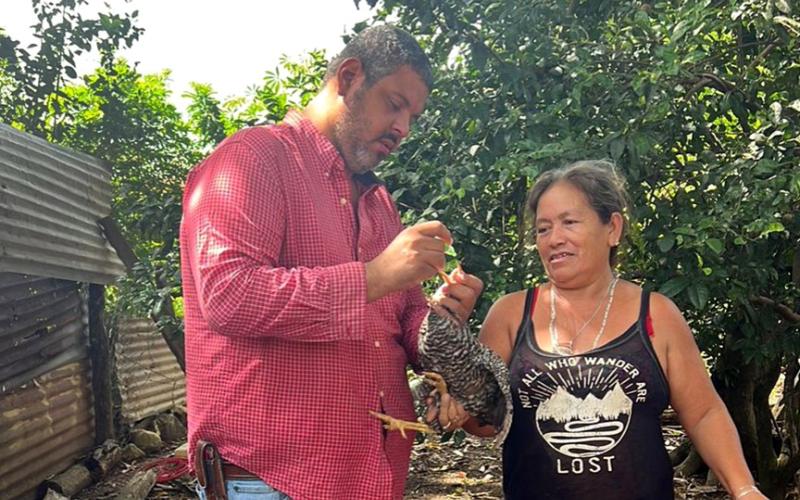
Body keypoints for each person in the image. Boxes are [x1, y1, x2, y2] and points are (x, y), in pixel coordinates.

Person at [180, 25, 480, 500]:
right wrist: (374, 276)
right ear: (349, 77)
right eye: (395, 104)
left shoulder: (380, 203)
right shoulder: (252, 159)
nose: (404, 128)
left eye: (414, 115)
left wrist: (439, 323)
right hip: (270, 481)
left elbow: (400, 316)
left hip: (370, 472)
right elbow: (228, 295)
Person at [464, 160, 766, 499]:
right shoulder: (510, 314)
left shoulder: (656, 314)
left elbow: (703, 413)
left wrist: (744, 488)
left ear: (613, 229)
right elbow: (480, 424)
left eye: (569, 222)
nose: (554, 239)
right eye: (543, 228)